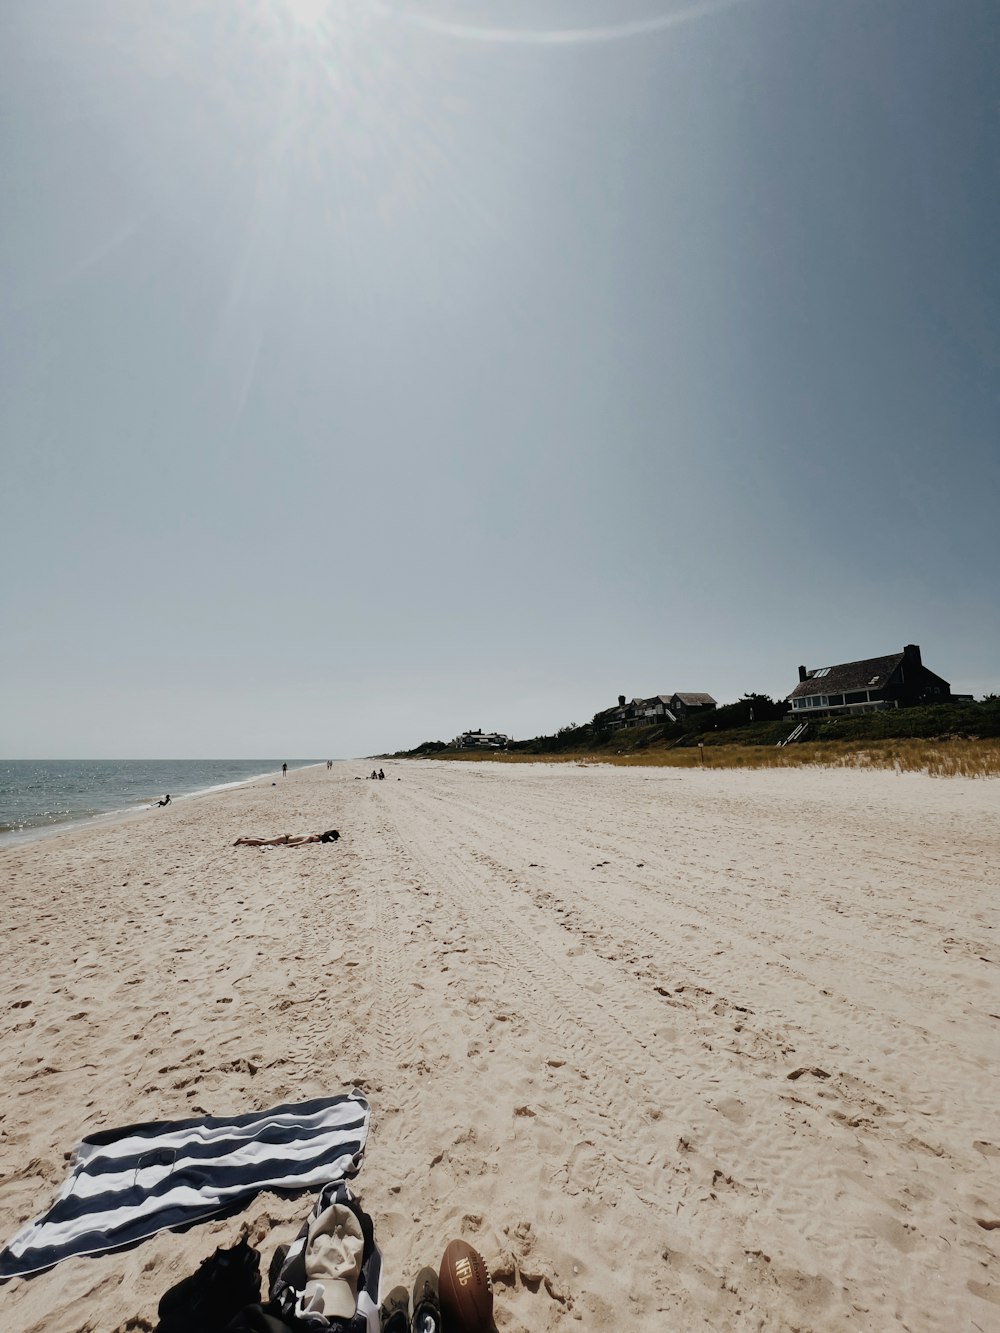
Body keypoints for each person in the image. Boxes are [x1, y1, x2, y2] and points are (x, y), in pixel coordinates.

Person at [234, 829, 340, 847]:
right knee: (263, 843)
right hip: (285, 839)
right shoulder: (313, 837)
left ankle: (248, 838)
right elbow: (302, 843)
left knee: (266, 839)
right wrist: (290, 845)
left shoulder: (317, 834)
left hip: (287, 836)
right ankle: (242, 841)